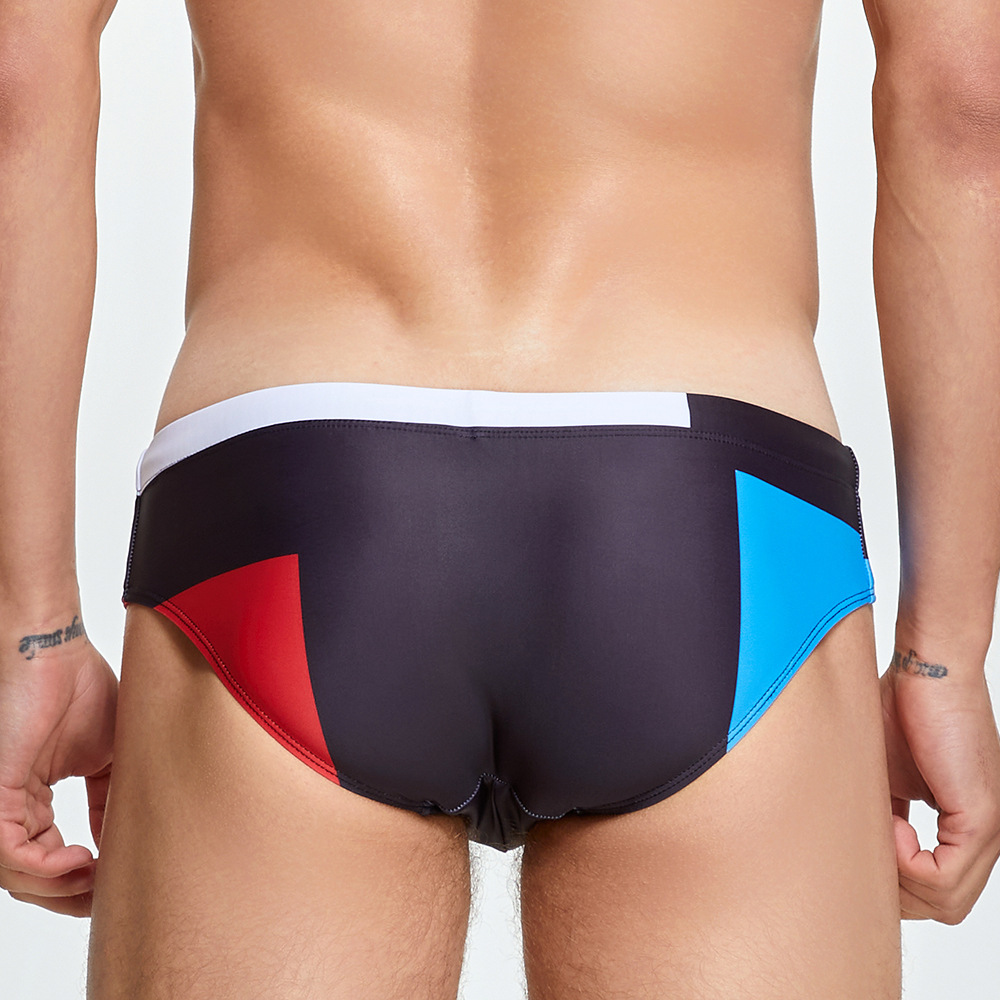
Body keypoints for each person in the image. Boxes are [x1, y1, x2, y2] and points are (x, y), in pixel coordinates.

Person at [2, 0, 999, 996]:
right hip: (705, 502)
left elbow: (20, 77)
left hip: (292, 478)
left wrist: (33, 633)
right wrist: (943, 656)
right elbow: (963, 102)